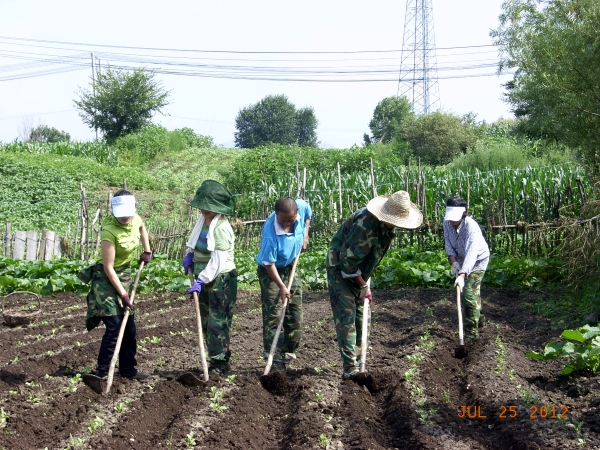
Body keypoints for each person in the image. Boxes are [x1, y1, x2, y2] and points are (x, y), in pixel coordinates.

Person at [326, 190, 423, 380]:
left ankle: (361, 362)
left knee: (364, 318)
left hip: (359, 273)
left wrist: (364, 282)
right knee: (347, 317)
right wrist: (362, 286)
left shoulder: (387, 228)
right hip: (340, 269)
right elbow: (348, 262)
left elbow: (370, 256)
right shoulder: (365, 225)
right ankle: (350, 369)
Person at [83, 189, 152, 380]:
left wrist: (147, 250)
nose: (125, 217)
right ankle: (103, 372)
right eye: (121, 213)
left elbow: (142, 227)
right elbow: (108, 267)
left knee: (129, 326)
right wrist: (123, 295)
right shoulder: (109, 231)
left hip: (124, 274)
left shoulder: (135, 218)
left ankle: (128, 370)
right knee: (114, 324)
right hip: (104, 278)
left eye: (128, 212)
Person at [184, 180, 237, 374]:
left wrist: (201, 280)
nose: (203, 212)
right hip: (204, 277)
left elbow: (217, 261)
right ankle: (215, 360)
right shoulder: (203, 221)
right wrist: (190, 256)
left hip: (220, 280)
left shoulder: (221, 227)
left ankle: (220, 364)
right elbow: (195, 241)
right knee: (206, 321)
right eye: (202, 208)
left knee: (217, 322)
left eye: (208, 209)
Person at [256, 197, 312, 371]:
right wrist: (281, 286)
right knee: (274, 314)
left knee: (295, 314)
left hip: (290, 267)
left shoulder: (300, 207)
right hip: (271, 271)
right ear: (276, 215)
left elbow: (308, 215)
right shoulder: (270, 233)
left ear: (296, 213)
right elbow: (268, 264)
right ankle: (273, 359)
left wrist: (305, 234)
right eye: (283, 220)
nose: (287, 223)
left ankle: (288, 352)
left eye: (291, 219)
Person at [443, 197, 490, 340]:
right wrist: (455, 264)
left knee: (468, 294)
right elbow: (448, 244)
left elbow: (472, 253)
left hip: (477, 261)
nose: (451, 221)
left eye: (454, 218)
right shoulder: (446, 223)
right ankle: (479, 318)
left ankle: (471, 335)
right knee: (472, 294)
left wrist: (462, 275)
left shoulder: (471, 227)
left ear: (463, 214)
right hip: (460, 261)